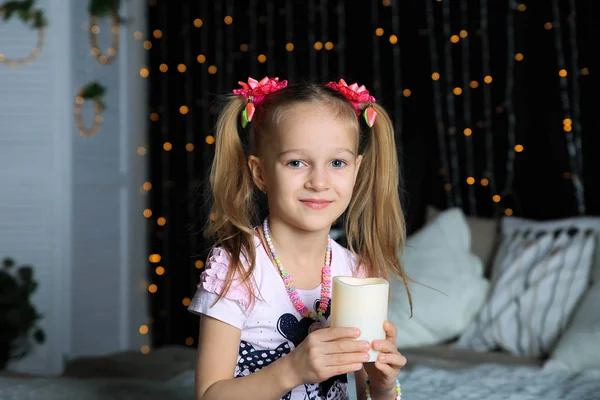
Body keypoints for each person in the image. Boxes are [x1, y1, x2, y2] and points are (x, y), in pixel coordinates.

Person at [188, 76, 412, 400]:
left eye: (337, 162)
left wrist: (382, 385)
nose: (319, 182)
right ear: (260, 173)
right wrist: (293, 369)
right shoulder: (238, 267)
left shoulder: (357, 272)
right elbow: (209, 395)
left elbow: (368, 394)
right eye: (296, 162)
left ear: (356, 169)